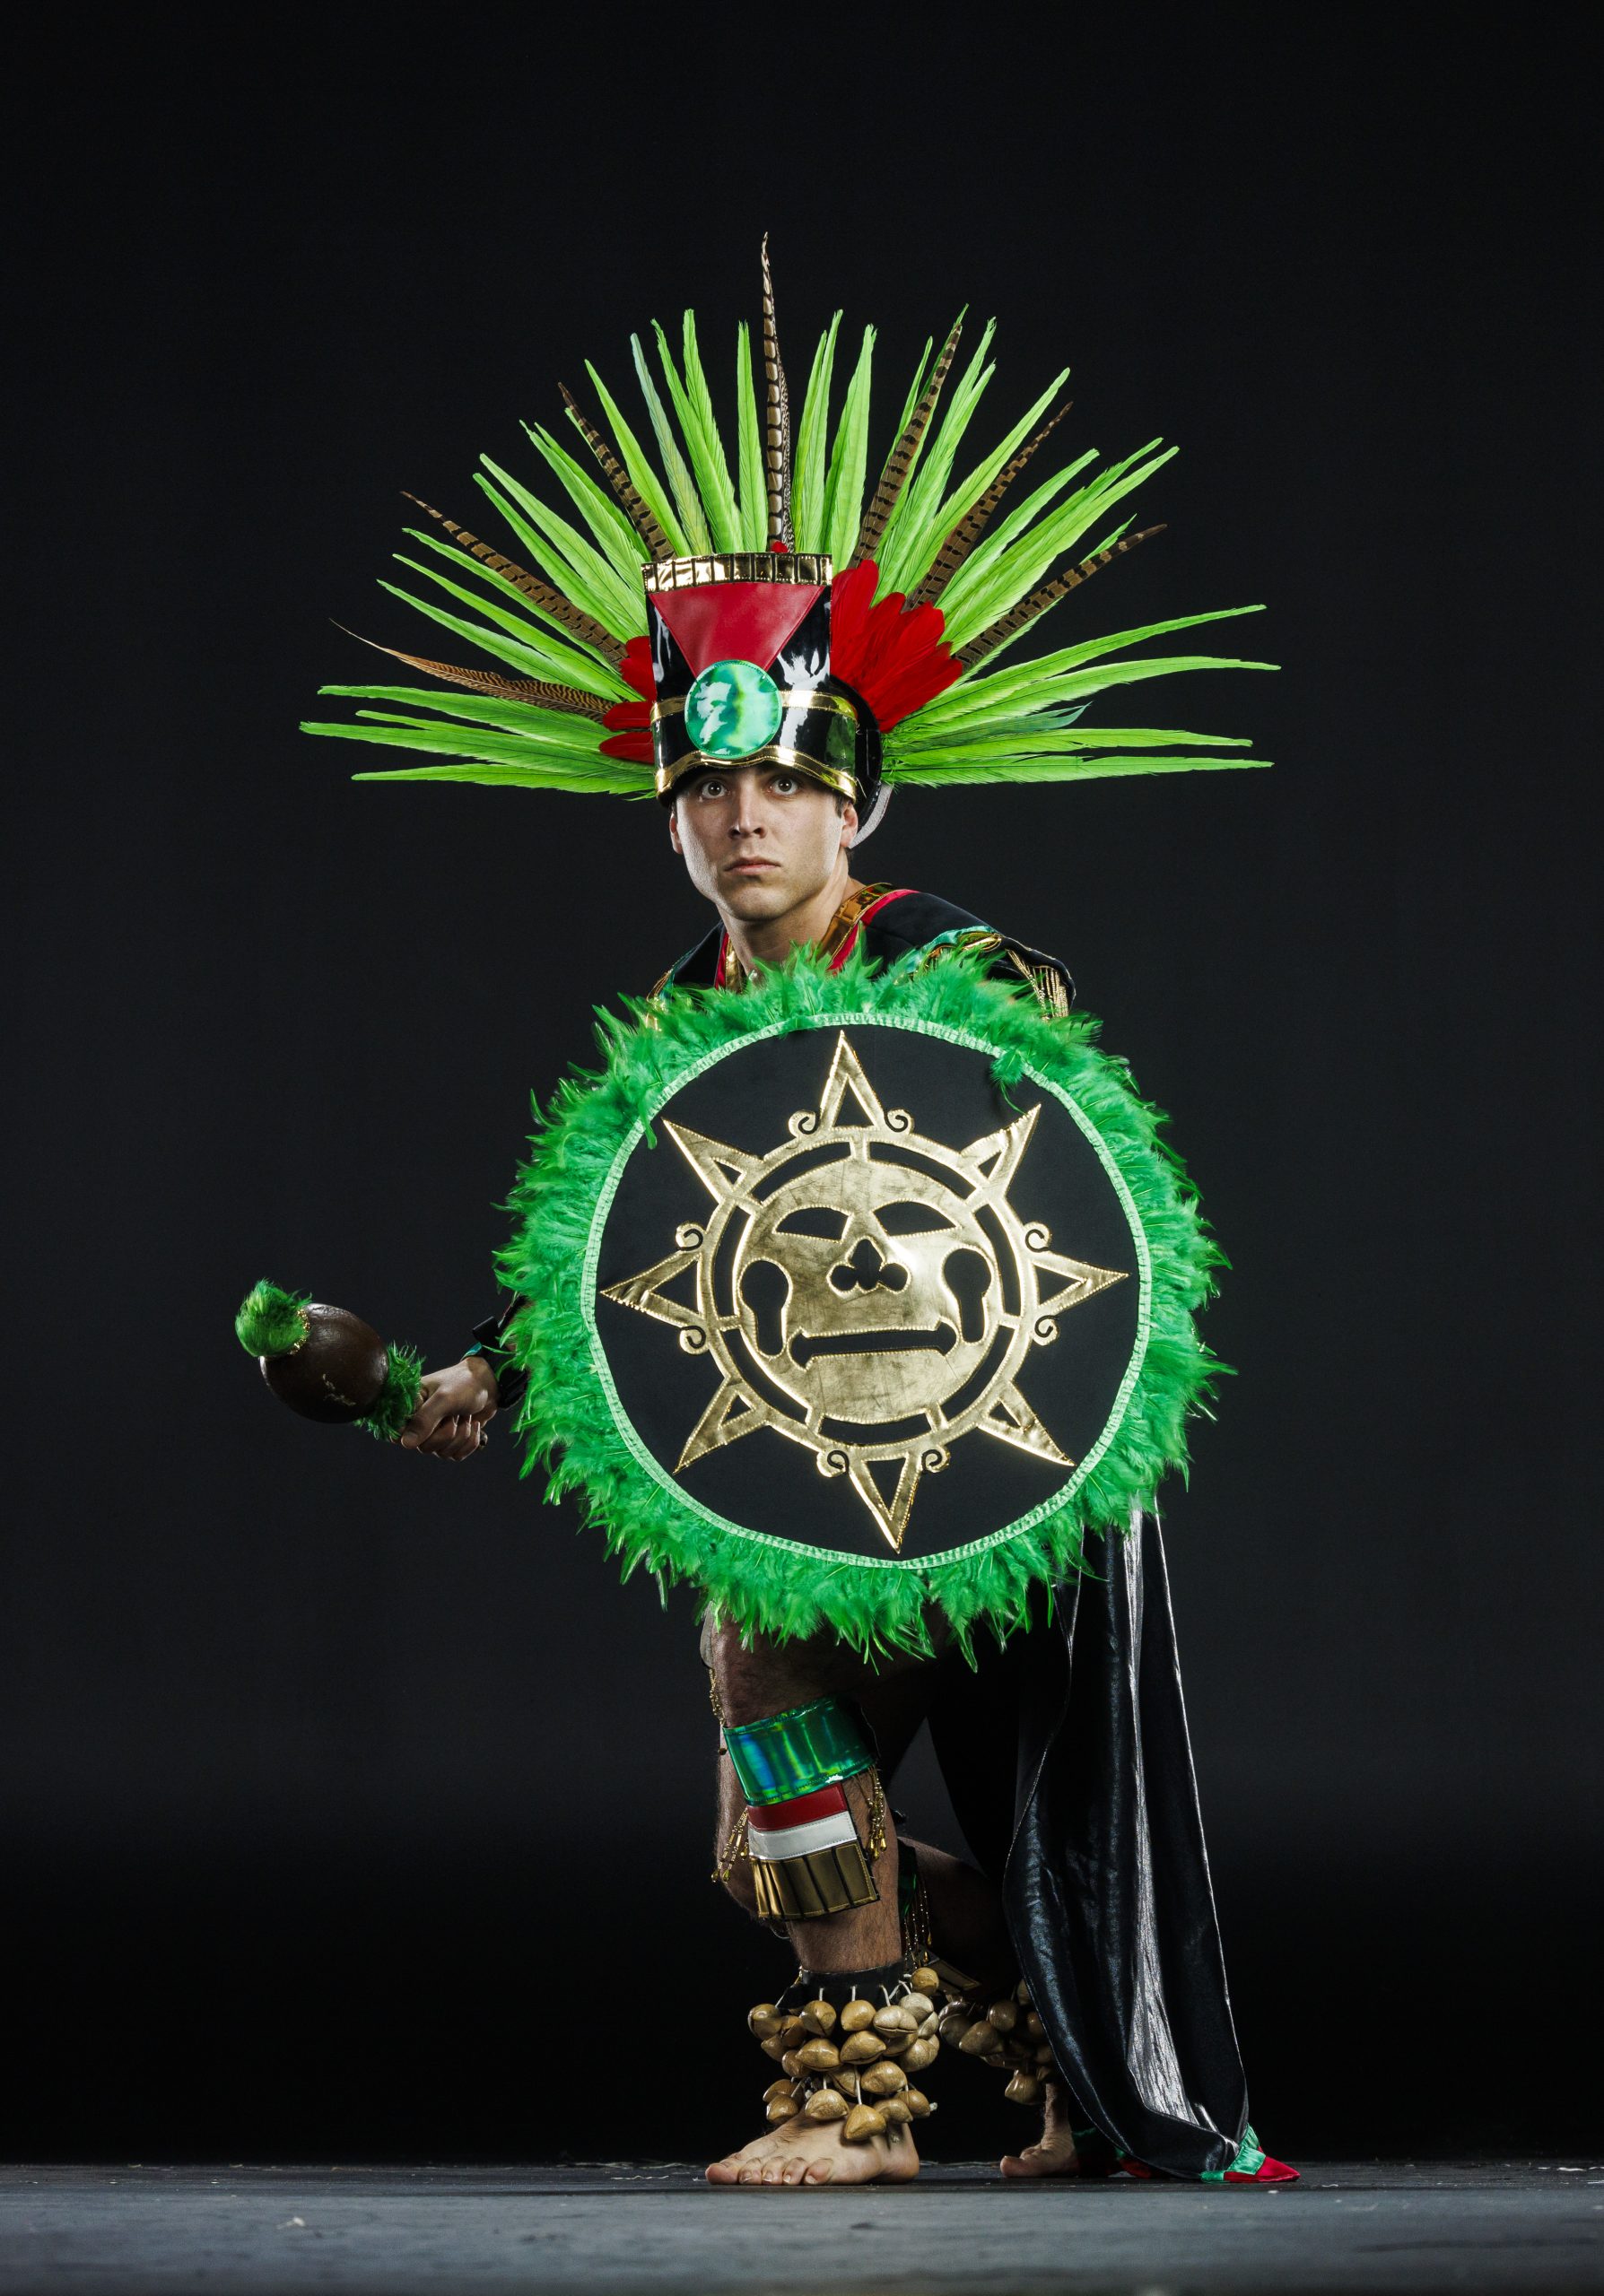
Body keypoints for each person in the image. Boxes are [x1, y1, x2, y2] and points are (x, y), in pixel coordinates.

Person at [305, 247, 1294, 2188]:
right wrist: (479, 1378)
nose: (745, 816)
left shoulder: (967, 966)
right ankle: (1055, 2005)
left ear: (856, 808)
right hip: (801, 1458)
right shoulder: (685, 1033)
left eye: (781, 783)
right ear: (668, 810)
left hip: (995, 1460)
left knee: (771, 1702)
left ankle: (857, 2101)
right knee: (774, 1782)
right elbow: (612, 1259)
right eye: (711, 786)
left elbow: (1060, 1187)